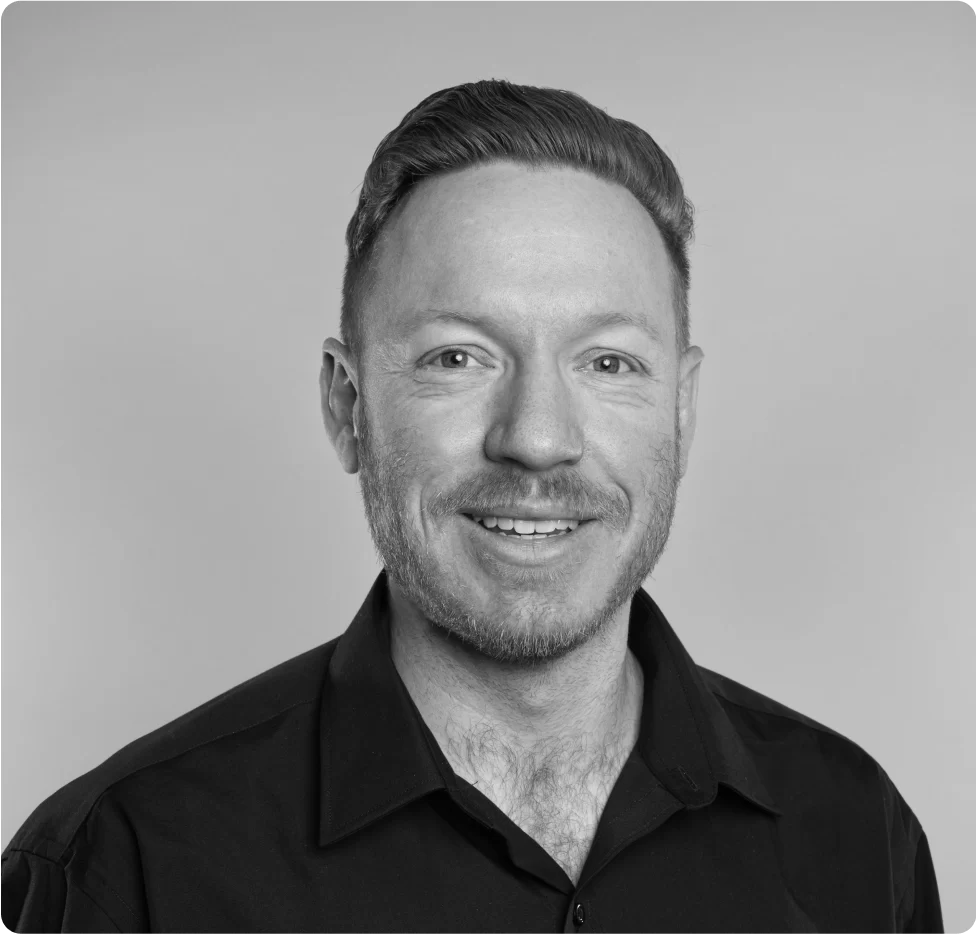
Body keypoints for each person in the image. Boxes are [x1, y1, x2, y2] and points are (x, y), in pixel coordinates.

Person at [1, 79, 943, 933]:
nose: (536, 437)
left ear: (681, 413)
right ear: (347, 405)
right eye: (459, 357)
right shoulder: (116, 868)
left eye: (608, 363)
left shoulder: (857, 832)